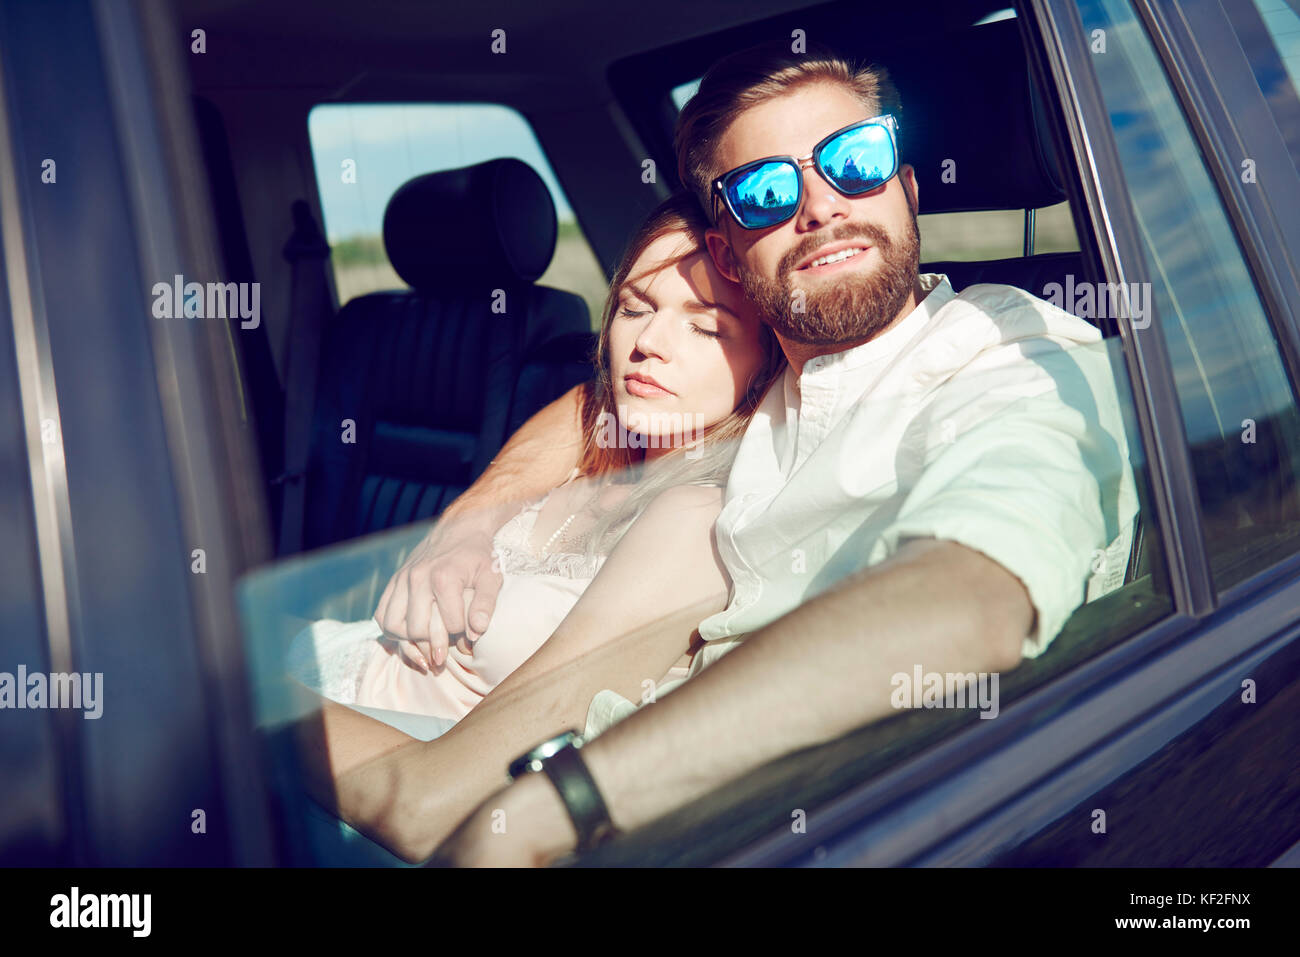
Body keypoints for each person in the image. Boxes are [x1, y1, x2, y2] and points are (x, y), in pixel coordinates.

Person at [369, 40, 1140, 866]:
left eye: (856, 158)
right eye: (767, 191)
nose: (819, 206)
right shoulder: (765, 374)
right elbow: (592, 404)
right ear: (731, 256)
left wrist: (567, 799)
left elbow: (972, 594)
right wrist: (470, 521)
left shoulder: (1010, 353)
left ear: (906, 190)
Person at [287, 194, 785, 851]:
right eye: (635, 308)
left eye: (708, 325)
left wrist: (239, 703)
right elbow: (587, 399)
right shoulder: (598, 445)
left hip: (362, 773)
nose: (648, 345)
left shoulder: (698, 519)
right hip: (332, 670)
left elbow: (452, 795)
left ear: (765, 366)